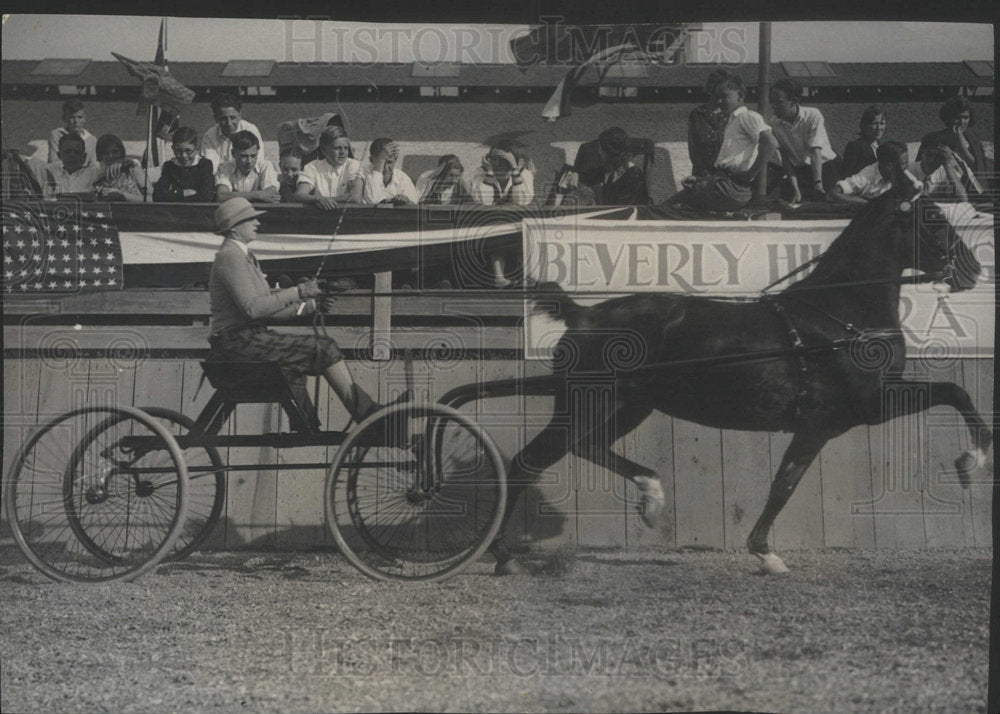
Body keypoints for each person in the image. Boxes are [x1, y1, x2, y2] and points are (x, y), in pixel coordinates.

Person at [206, 197, 408, 427]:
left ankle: (316, 423)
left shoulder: (242, 256)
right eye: (250, 219)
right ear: (234, 228)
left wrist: (307, 307)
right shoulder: (231, 256)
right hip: (235, 343)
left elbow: (265, 311)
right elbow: (254, 309)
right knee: (323, 347)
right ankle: (368, 415)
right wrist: (299, 291)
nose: (257, 223)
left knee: (312, 353)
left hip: (246, 339)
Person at [666, 75, 777, 213]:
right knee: (680, 208)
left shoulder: (747, 116)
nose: (719, 101)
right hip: (722, 182)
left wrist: (750, 174)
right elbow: (731, 161)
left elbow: (770, 143)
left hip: (728, 188)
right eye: (717, 97)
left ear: (740, 95)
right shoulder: (732, 121)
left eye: (724, 96)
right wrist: (700, 179)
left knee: (669, 208)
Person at [469, 141, 535, 287]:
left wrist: (514, 170)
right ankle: (499, 277)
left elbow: (522, 200)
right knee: (497, 228)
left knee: (523, 233)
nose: (499, 164)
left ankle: (524, 276)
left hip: (517, 220)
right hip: (489, 221)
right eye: (495, 159)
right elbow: (483, 201)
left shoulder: (524, 173)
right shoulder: (481, 172)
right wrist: (489, 171)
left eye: (504, 160)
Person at [767, 78, 840, 202]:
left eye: (779, 102)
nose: (774, 106)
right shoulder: (774, 124)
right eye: (772, 102)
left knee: (827, 203)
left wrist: (818, 184)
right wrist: (796, 190)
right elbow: (785, 159)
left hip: (825, 167)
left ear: (794, 101)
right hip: (801, 171)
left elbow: (815, 152)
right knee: (790, 201)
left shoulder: (813, 115)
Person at [918, 95, 988, 193]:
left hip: (970, 189)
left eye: (966, 117)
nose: (962, 122)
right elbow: (921, 168)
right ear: (948, 118)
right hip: (939, 189)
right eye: (957, 117)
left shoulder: (974, 142)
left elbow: (977, 169)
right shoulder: (932, 139)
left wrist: (960, 140)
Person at [827, 141, 920, 206]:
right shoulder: (866, 176)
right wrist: (870, 204)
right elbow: (833, 194)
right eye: (904, 163)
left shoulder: (907, 177)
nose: (907, 167)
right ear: (889, 166)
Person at [294, 125, 363, 210]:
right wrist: (318, 199)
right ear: (324, 150)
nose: (342, 152)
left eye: (346, 148)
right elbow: (299, 195)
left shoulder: (354, 165)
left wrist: (324, 200)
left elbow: (356, 197)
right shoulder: (312, 167)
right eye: (337, 148)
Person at [201, 93, 264, 172]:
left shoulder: (251, 130)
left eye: (233, 117)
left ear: (240, 115)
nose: (229, 123)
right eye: (223, 119)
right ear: (215, 118)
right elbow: (212, 169)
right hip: (221, 177)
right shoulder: (209, 136)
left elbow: (257, 163)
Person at [687, 69, 731, 178]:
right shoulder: (697, 114)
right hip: (702, 175)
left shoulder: (732, 115)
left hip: (727, 176)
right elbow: (693, 150)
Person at [152, 126, 215, 203]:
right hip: (175, 209)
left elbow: (207, 196)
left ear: (197, 149)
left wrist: (174, 196)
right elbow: (157, 195)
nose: (184, 156)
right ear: (173, 149)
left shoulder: (204, 165)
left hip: (198, 209)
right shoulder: (170, 166)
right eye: (178, 151)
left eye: (188, 151)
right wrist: (184, 193)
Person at [215, 131, 280, 203]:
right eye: (244, 156)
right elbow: (221, 196)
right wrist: (258, 195)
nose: (249, 161)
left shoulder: (266, 166)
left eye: (253, 156)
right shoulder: (225, 167)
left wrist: (233, 196)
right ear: (233, 154)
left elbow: (272, 194)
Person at [593, 126, 650, 205]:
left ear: (609, 153)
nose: (599, 153)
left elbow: (621, 210)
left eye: (601, 149)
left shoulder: (633, 177)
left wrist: (598, 194)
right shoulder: (617, 171)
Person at [42, 133, 102, 198]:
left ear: (84, 157)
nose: (72, 155)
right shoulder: (50, 172)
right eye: (67, 151)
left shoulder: (94, 175)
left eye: (77, 152)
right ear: (59, 155)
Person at [362, 138, 418, 205]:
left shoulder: (402, 178)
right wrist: (378, 168)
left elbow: (414, 204)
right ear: (371, 160)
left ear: (395, 159)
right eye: (381, 163)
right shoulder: (363, 175)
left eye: (389, 162)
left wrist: (406, 201)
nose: (385, 168)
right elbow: (375, 200)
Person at [92, 134, 144, 202]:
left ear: (121, 152)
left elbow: (153, 199)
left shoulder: (133, 170)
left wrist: (123, 195)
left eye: (115, 152)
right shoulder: (99, 179)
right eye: (106, 153)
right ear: (100, 156)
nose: (111, 156)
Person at [48, 99, 98, 167]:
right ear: (64, 118)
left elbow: (93, 166)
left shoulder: (91, 139)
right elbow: (53, 162)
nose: (76, 121)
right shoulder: (56, 135)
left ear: (84, 118)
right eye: (71, 117)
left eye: (79, 117)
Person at [840, 105, 886, 179]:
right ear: (865, 125)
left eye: (882, 123)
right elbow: (846, 175)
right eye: (874, 123)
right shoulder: (854, 147)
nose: (879, 128)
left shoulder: (883, 148)